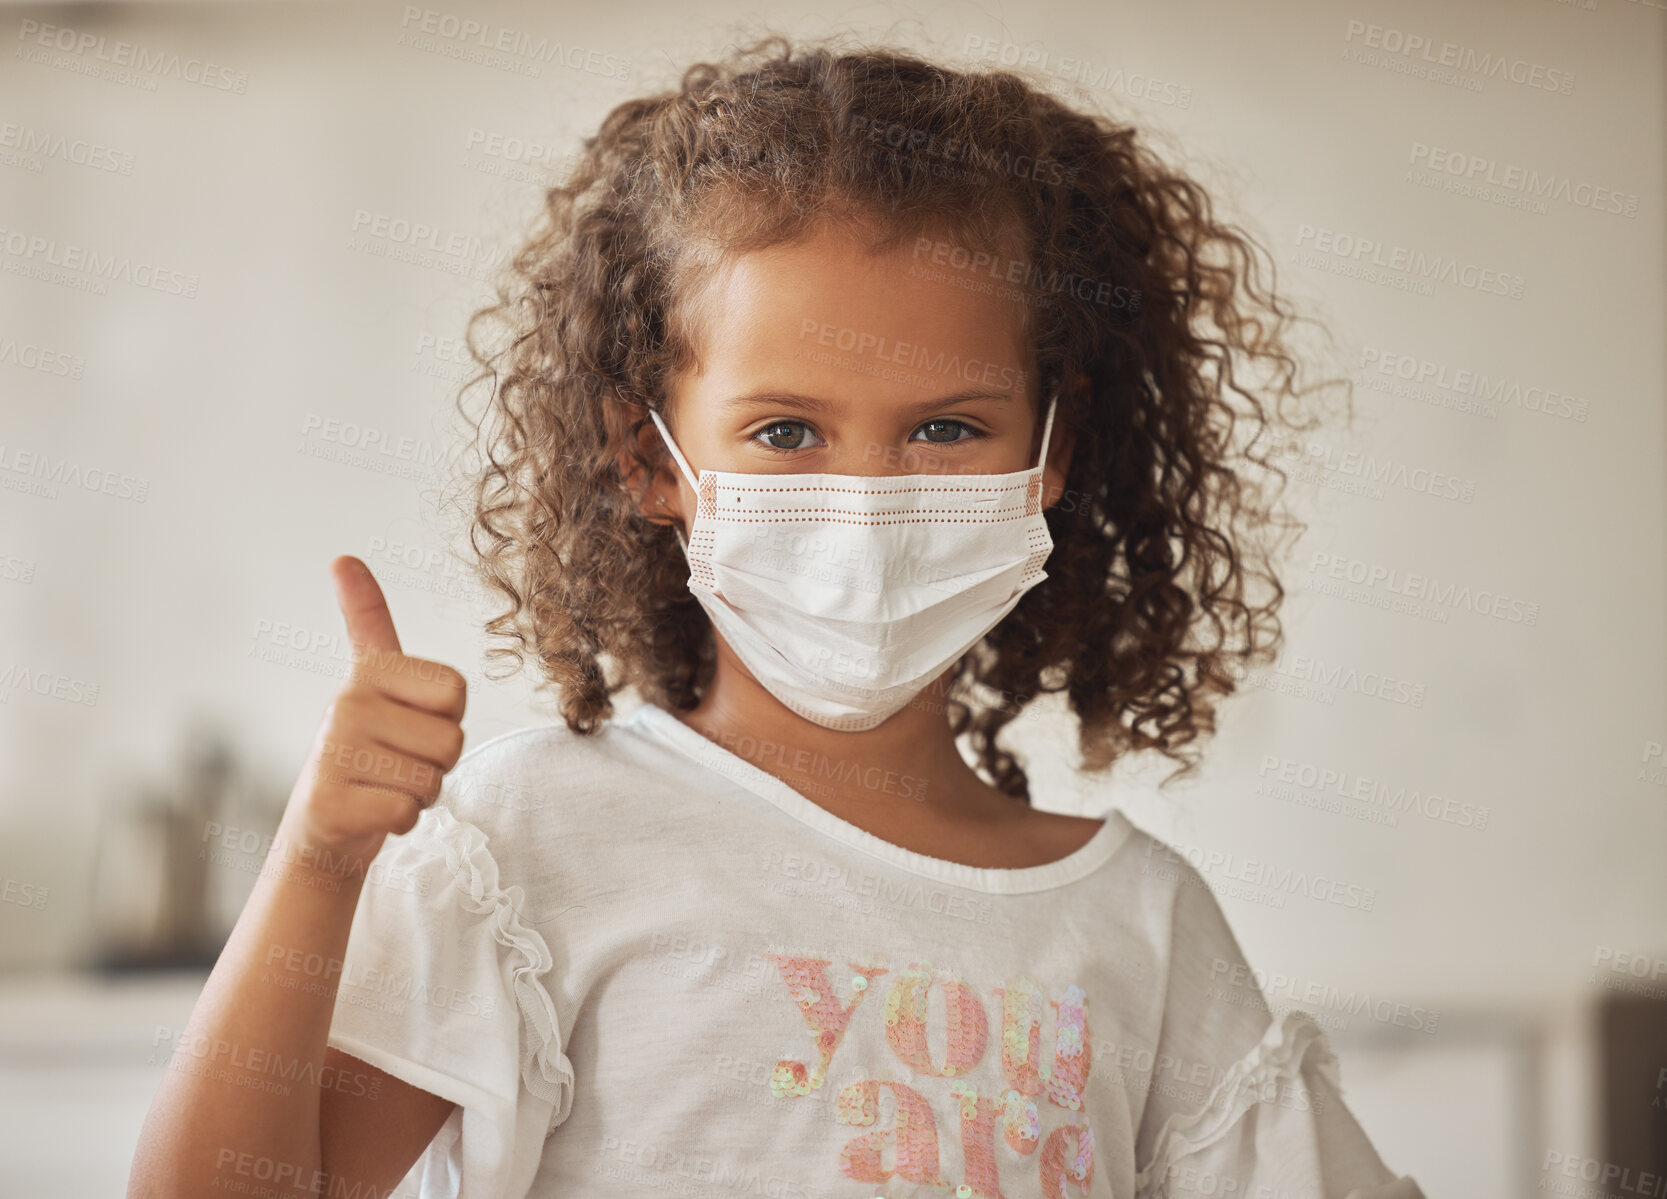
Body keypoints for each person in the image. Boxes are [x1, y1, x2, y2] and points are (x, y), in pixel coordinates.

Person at [129, 35, 1429, 1199]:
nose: (864, 502)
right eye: (787, 431)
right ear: (646, 459)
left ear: (1052, 450)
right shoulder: (530, 847)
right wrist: (318, 866)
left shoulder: (1140, 922)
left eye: (944, 429)